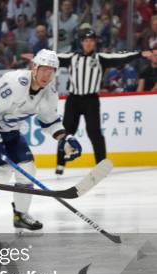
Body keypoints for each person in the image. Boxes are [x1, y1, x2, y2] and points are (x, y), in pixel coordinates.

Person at [0, 49, 82, 234]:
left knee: (27, 170)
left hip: (10, 133)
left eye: (52, 71)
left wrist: (65, 139)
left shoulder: (49, 92)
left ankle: (20, 215)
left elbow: (50, 121)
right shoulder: (14, 82)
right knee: (1, 175)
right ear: (34, 67)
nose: (47, 74)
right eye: (44, 69)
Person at [53, 29, 152, 174]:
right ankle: (60, 164)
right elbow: (53, 57)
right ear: (81, 42)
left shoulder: (100, 58)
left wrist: (139, 54)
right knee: (67, 132)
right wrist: (36, 57)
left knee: (94, 132)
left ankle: (101, 165)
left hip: (91, 100)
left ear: (94, 43)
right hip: (73, 99)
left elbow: (120, 57)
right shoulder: (72, 57)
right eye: (86, 41)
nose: (88, 43)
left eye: (91, 41)